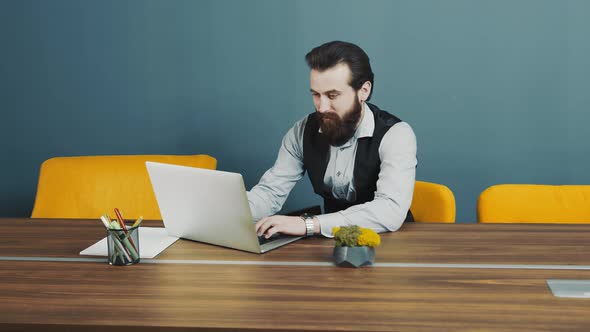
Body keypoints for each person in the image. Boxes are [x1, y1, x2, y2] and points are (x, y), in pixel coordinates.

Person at [249, 41, 417, 239]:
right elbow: (270, 192)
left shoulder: (396, 134)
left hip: (389, 243)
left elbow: (389, 210)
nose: (321, 107)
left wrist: (309, 224)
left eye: (332, 95)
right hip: (329, 242)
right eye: (316, 95)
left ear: (363, 91)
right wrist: (228, 213)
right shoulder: (301, 131)